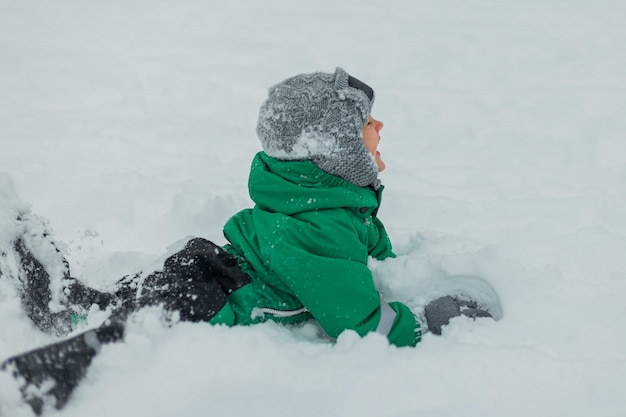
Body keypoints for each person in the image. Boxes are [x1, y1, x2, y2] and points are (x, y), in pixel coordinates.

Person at [0, 67, 496, 414]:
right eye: (365, 124)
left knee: (117, 303)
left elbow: (367, 245)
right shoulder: (316, 229)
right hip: (210, 301)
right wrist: (425, 327)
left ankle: (61, 294)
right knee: (121, 336)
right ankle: (30, 380)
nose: (380, 127)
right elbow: (359, 321)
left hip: (210, 269)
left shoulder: (317, 200)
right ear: (334, 149)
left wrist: (392, 264)